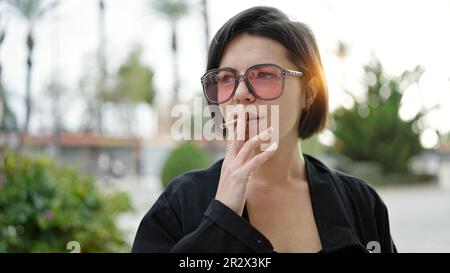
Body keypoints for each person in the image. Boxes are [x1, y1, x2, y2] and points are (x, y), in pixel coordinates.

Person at [132, 6, 397, 253]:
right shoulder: (179, 203)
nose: (241, 93)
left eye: (265, 75)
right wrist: (221, 214)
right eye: (226, 79)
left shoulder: (361, 203)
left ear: (309, 92)